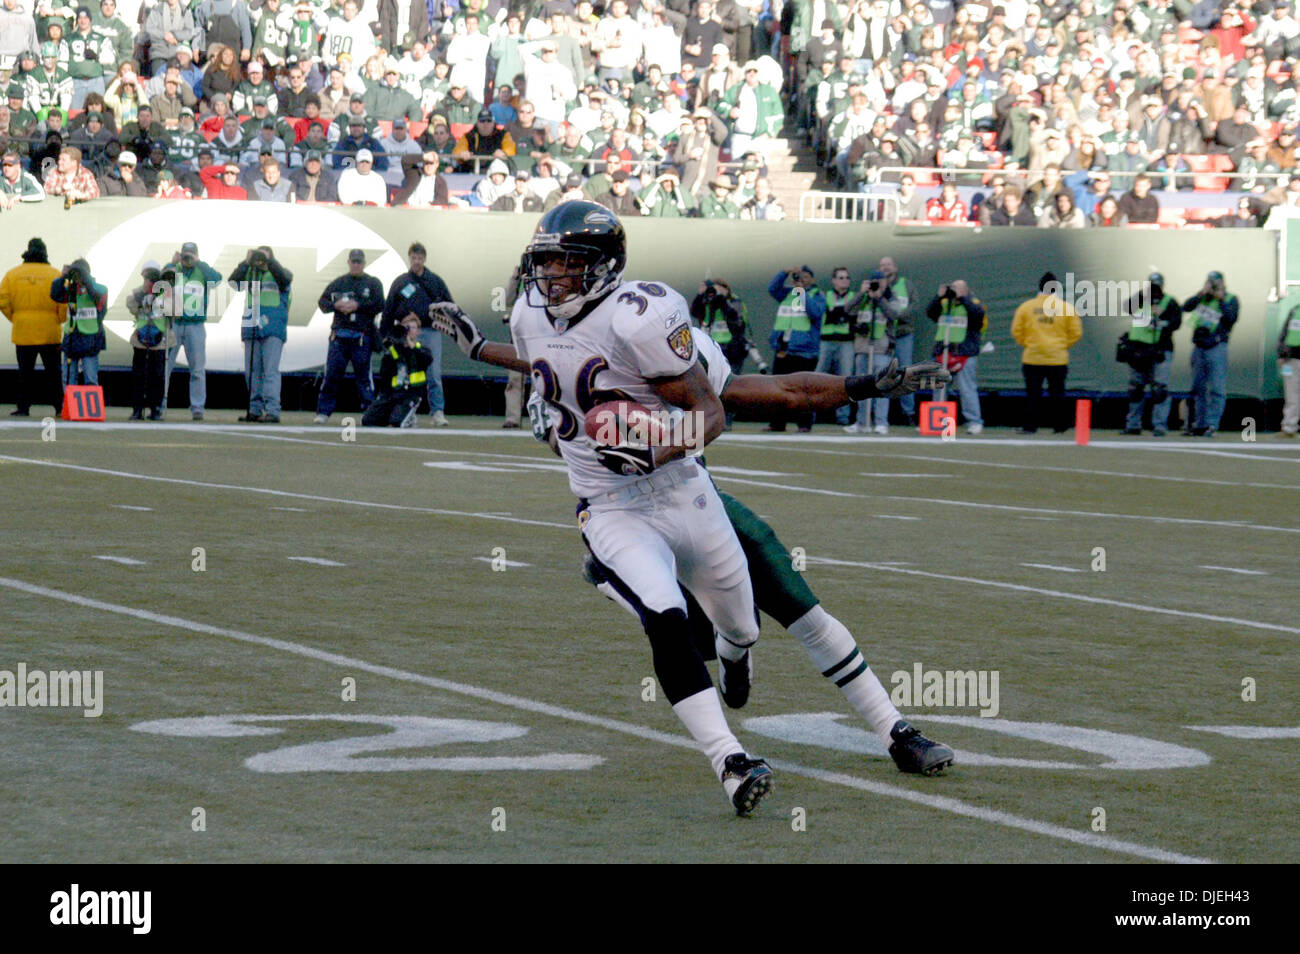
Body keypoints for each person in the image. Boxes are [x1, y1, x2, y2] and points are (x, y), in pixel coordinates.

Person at [433, 294, 957, 781]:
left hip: (692, 497)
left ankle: (889, 727)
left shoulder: (666, 342)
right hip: (620, 511)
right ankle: (729, 722)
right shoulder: (562, 360)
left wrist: (862, 386)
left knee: (797, 607)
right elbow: (550, 384)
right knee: (669, 617)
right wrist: (482, 351)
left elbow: (777, 390)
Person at [430, 199, 777, 816]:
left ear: (606, 266)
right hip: (607, 503)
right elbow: (546, 360)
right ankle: (729, 760)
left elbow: (711, 411)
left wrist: (657, 448)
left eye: (570, 262)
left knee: (741, 623)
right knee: (665, 614)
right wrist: (481, 349)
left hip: (679, 488)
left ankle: (736, 652)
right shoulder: (529, 312)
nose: (555, 276)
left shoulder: (640, 318)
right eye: (548, 262)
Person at [381, 241, 453, 427]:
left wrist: (435, 318)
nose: (416, 261)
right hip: (405, 335)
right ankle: (405, 412)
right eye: (414, 258)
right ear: (409, 258)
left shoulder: (435, 281)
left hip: (430, 332)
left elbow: (449, 305)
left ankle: (437, 412)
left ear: (424, 259)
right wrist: (385, 335)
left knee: (433, 373)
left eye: (420, 258)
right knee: (405, 374)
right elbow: (389, 309)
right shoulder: (401, 282)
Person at [314, 248, 383, 425]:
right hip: (339, 336)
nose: (356, 265)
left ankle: (370, 412)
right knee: (332, 375)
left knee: (364, 378)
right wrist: (336, 305)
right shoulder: (339, 283)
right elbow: (323, 303)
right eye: (353, 261)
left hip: (361, 337)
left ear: (364, 263)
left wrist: (357, 306)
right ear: (348, 262)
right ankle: (323, 412)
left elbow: (380, 304)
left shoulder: (373, 282)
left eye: (359, 262)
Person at [1010, 272, 1083, 434]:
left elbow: (1017, 331)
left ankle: (1030, 426)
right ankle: (1060, 426)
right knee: (1058, 394)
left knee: (1032, 394)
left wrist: (1029, 344)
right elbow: (1076, 332)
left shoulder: (1026, 307)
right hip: (1057, 358)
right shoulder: (1066, 307)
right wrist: (1063, 345)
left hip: (1033, 357)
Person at [0, 237, 64, 417]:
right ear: (45, 253)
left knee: (25, 373)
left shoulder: (12, 274)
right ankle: (59, 407)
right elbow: (63, 301)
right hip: (50, 331)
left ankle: (23, 408)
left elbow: (2, 301)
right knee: (53, 373)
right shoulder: (56, 274)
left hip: (23, 331)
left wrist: (16, 318)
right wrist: (59, 319)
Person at [229, 246, 292, 424]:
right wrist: (245, 262)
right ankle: (255, 409)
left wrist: (269, 262)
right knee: (252, 372)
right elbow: (233, 283)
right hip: (252, 327)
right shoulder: (250, 273)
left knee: (270, 371)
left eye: (263, 256)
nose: (260, 260)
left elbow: (285, 279)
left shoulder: (280, 274)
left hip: (273, 328)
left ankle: (272, 410)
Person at [159, 242, 221, 421]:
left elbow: (216, 279)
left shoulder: (202, 271)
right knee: (165, 366)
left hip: (195, 325)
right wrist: (172, 264)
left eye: (191, 255)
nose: (187, 259)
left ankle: (198, 407)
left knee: (197, 369)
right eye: (185, 255)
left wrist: (198, 263)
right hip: (174, 323)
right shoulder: (173, 269)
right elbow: (161, 282)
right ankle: (160, 404)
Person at [1120, 271, 1183, 437]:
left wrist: (1162, 317)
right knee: (1136, 388)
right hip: (1139, 350)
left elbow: (1177, 322)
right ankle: (1133, 424)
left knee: (1159, 389)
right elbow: (1126, 307)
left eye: (1157, 285)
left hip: (1160, 349)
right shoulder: (1140, 299)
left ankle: (1159, 425)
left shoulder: (1169, 302)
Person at [765, 265, 825, 432]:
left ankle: (804, 424)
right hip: (783, 347)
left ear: (812, 279)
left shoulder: (817, 295)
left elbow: (815, 313)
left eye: (805, 277)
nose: (802, 280)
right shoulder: (786, 294)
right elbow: (772, 288)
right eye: (799, 277)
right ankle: (777, 423)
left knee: (803, 389)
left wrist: (801, 291)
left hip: (804, 350)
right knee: (778, 388)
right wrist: (784, 272)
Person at [848, 268, 907, 435]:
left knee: (882, 385)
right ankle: (861, 422)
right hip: (863, 347)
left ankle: (881, 422)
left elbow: (894, 314)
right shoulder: (864, 297)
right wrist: (861, 294)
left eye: (880, 281)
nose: (876, 285)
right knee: (861, 387)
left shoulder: (890, 297)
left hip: (882, 348)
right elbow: (848, 310)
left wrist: (879, 299)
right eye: (873, 281)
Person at [925, 280, 986, 434]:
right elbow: (931, 313)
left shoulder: (974, 303)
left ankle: (974, 421)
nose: (954, 291)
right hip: (943, 352)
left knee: (967, 389)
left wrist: (963, 298)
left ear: (966, 290)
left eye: (958, 288)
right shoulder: (945, 304)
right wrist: (938, 297)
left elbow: (978, 316)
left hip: (964, 353)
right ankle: (937, 421)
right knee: (939, 387)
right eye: (952, 288)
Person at [1183, 270, 1239, 438]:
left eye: (1216, 283)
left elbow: (1231, 318)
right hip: (1199, 346)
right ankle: (1199, 424)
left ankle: (1212, 423)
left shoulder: (1230, 299)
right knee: (1198, 388)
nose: (1213, 286)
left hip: (1217, 346)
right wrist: (1202, 294)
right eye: (1210, 282)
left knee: (1216, 387)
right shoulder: (1203, 298)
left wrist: (1220, 299)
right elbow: (1186, 307)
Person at [363, 314, 433, 428]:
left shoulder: (422, 350)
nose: (409, 331)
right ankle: (396, 414)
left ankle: (406, 416)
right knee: (368, 420)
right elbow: (384, 376)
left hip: (411, 394)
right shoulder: (393, 351)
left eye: (413, 328)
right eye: (406, 327)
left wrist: (411, 346)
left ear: (418, 331)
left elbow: (427, 360)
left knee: (396, 423)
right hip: (393, 394)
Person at [50, 258, 107, 387]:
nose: (77, 277)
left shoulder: (100, 288)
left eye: (79, 273)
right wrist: (63, 276)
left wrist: (87, 281)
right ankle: (69, 406)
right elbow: (55, 295)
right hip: (72, 335)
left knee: (90, 378)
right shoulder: (70, 289)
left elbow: (98, 301)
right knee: (68, 378)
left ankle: (90, 407)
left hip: (90, 336)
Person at [125, 261, 170, 421]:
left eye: (152, 277)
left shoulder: (166, 294)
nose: (148, 281)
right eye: (146, 277)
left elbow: (176, 312)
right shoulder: (137, 293)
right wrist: (143, 296)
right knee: (139, 375)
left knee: (156, 376)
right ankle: (137, 408)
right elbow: (131, 307)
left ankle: (155, 408)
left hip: (160, 340)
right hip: (141, 338)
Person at [1278, 298, 1300, 439]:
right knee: (1291, 394)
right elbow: (1284, 334)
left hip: (1292, 359)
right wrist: (1281, 355)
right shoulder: (1295, 310)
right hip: (1290, 359)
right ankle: (1289, 428)